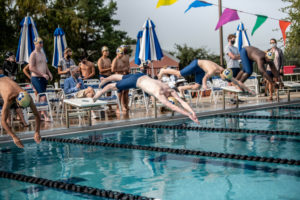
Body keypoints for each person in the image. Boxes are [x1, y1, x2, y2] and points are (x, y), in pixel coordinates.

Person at [93, 73, 199, 123]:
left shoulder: (169, 89)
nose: (169, 98)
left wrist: (191, 112)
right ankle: (100, 92)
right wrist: (189, 114)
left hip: (141, 75)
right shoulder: (160, 95)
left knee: (116, 76)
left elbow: (182, 102)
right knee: (111, 86)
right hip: (135, 82)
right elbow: (175, 107)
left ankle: (104, 79)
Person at [158, 59, 253, 95]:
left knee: (196, 87)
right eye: (224, 78)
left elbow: (237, 81)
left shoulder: (225, 72)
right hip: (196, 64)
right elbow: (204, 78)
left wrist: (248, 90)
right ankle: (163, 71)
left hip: (201, 70)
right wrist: (205, 85)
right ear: (221, 74)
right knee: (179, 74)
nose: (224, 79)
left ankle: (181, 88)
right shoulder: (213, 71)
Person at [0, 75, 41, 148]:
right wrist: (14, 137)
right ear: (17, 102)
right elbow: (3, 121)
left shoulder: (27, 96)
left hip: (5, 79)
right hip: (3, 85)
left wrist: (37, 132)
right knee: (5, 115)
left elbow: (37, 115)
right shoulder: (8, 99)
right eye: (21, 107)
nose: (22, 109)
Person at [29, 37, 53, 122]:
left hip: (43, 78)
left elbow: (45, 66)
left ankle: (38, 116)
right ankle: (45, 115)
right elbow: (31, 68)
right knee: (43, 96)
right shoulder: (33, 54)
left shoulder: (42, 54)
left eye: (42, 42)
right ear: (35, 44)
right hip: (36, 78)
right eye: (40, 43)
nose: (42, 44)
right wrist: (42, 74)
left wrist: (49, 73)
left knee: (40, 97)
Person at [112, 47, 130, 112]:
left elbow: (125, 66)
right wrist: (122, 70)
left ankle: (124, 105)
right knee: (120, 93)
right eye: (121, 53)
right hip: (117, 77)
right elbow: (112, 70)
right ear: (118, 53)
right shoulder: (115, 60)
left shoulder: (121, 60)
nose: (122, 54)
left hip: (122, 77)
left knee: (125, 91)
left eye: (122, 53)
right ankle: (118, 107)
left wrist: (126, 70)